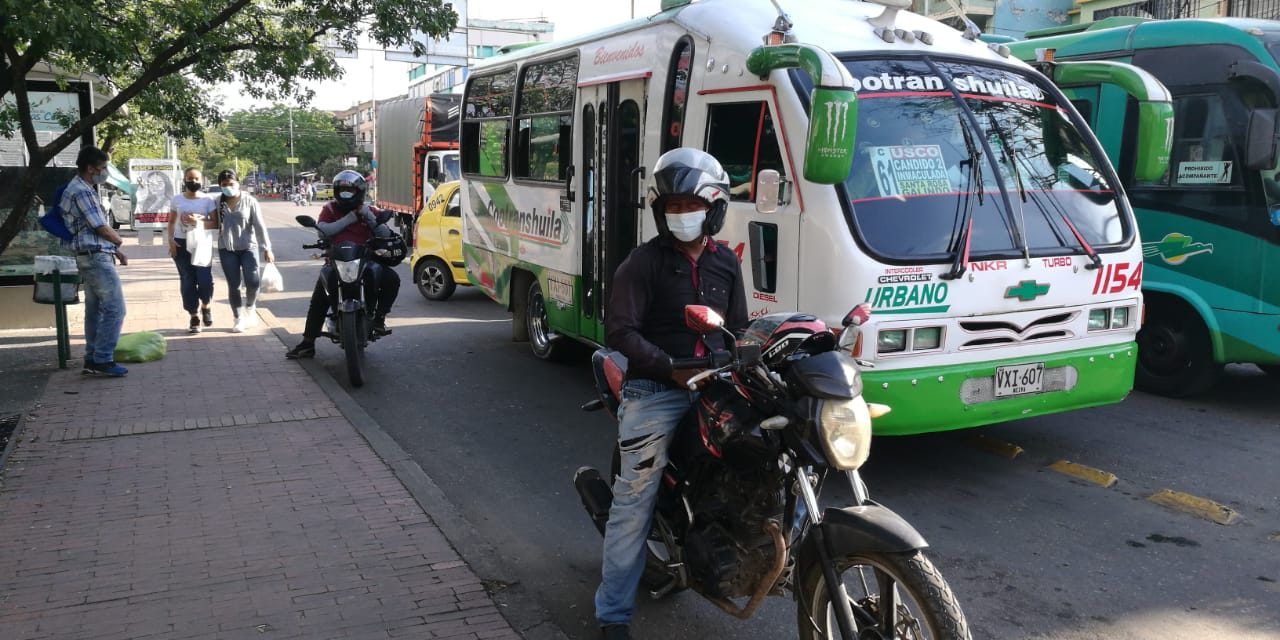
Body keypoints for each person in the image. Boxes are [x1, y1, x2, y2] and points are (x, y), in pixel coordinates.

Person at [593, 148, 747, 640]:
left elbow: (739, 329)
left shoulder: (726, 262)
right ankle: (613, 615)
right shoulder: (643, 262)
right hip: (655, 390)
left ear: (714, 207)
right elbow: (619, 331)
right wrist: (670, 369)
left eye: (690, 206)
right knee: (633, 500)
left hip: (716, 385)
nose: (682, 216)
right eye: (673, 208)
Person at [285, 170, 401, 358]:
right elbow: (323, 232)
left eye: (350, 190)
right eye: (343, 190)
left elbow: (385, 233)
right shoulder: (330, 209)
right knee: (319, 298)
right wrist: (350, 218)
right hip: (336, 261)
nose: (346, 194)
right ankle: (307, 342)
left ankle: (379, 318)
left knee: (392, 279)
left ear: (360, 191)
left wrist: (369, 217)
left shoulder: (369, 210)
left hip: (365, 261)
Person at [63, 146, 131, 377]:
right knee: (115, 309)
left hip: (93, 256)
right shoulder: (81, 191)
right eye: (102, 168)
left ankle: (92, 357)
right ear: (90, 168)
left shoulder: (85, 188)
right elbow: (100, 227)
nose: (104, 173)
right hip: (95, 258)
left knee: (96, 310)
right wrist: (118, 241)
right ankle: (102, 358)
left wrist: (114, 250)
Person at [210, 168, 274, 333]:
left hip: (248, 247)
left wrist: (266, 248)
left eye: (231, 184)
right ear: (220, 185)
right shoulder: (217, 202)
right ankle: (238, 318)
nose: (227, 187)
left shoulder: (249, 201)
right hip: (227, 248)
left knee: (253, 282)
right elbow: (213, 223)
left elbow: (259, 226)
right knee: (234, 285)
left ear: (238, 183)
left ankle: (250, 307)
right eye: (224, 184)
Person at [167, 168, 217, 333]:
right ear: (184, 179)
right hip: (181, 243)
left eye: (196, 179)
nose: (193, 182)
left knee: (204, 279)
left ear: (201, 180)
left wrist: (198, 221)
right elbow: (171, 222)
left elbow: (215, 223)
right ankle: (194, 315)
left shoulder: (208, 200)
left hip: (201, 243)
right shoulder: (177, 200)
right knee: (187, 280)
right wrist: (171, 241)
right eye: (190, 178)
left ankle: (206, 305)